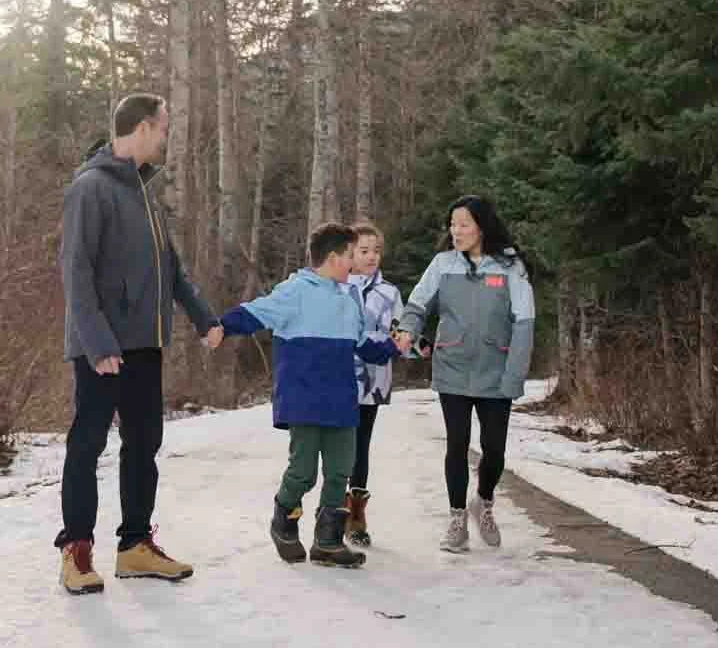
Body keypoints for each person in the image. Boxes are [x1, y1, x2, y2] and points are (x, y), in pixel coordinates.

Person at [54, 93, 225, 596]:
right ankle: (77, 549)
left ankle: (134, 546)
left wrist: (202, 317)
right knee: (87, 444)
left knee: (144, 444)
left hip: (145, 344)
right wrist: (97, 341)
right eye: (164, 127)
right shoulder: (91, 188)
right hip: (103, 347)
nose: (166, 136)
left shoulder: (144, 195)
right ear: (145, 127)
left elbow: (170, 269)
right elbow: (75, 269)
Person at [216, 222, 399, 569]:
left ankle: (327, 542)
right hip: (304, 398)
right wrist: (219, 327)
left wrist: (393, 346)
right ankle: (283, 520)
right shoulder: (296, 291)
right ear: (333, 258)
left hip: (342, 400)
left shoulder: (349, 300)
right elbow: (255, 312)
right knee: (303, 472)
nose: (355, 263)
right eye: (350, 255)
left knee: (340, 470)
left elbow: (364, 346)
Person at [394, 195, 536, 554]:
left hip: (496, 370)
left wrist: (514, 375)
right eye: (452, 225)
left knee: (494, 451)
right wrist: (408, 329)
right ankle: (457, 519)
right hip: (452, 365)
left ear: (482, 226)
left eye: (463, 224)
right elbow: (417, 303)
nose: (455, 231)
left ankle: (483, 502)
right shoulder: (443, 264)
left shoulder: (511, 267)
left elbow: (524, 324)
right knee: (456, 445)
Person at [344, 223, 403, 547]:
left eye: (376, 251)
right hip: (339, 378)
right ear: (349, 253)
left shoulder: (389, 293)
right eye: (364, 251)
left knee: (361, 445)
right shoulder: (337, 286)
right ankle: (333, 508)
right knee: (340, 443)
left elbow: (402, 330)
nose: (371, 257)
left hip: (373, 381)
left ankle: (356, 513)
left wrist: (415, 344)